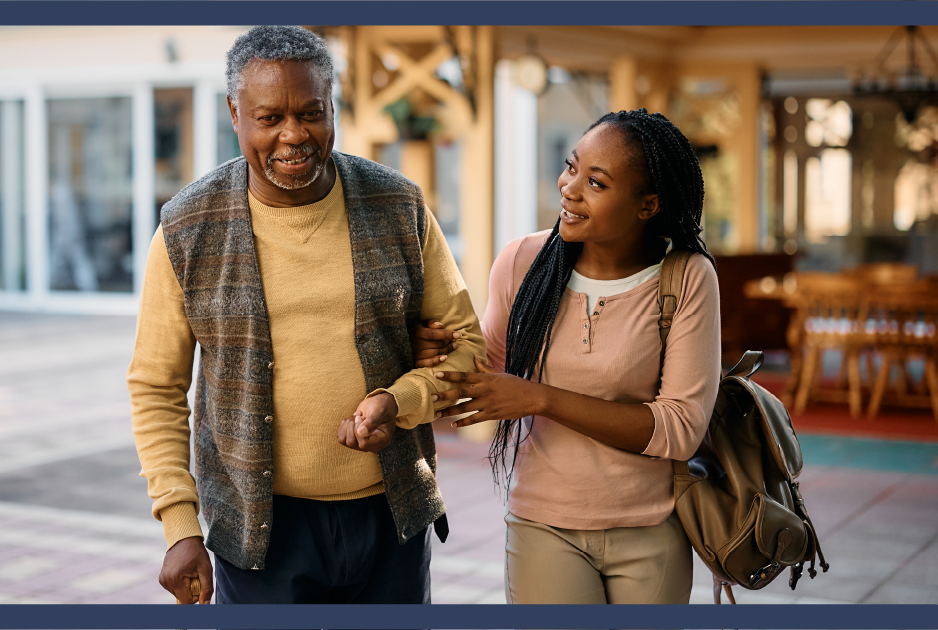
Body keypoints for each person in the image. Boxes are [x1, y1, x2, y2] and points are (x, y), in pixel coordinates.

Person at [127, 25, 484, 606]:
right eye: (269, 118)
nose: (294, 136)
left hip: (391, 516)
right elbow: (156, 386)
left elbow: (468, 343)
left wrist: (403, 399)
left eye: (312, 113)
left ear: (332, 107)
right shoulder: (187, 228)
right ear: (235, 114)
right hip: (259, 535)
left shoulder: (398, 205)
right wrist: (179, 525)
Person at [414, 109, 720, 604]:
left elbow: (680, 428)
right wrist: (436, 356)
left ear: (648, 205)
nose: (569, 187)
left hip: (651, 528)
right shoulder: (521, 262)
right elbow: (481, 381)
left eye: (596, 183)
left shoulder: (686, 278)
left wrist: (541, 399)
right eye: (570, 166)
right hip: (544, 526)